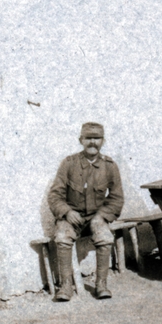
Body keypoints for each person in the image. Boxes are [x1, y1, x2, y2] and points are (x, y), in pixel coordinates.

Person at [45, 122, 124, 301]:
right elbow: (55, 195)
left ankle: (101, 284)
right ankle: (66, 285)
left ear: (103, 141)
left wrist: (102, 216)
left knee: (104, 236)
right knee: (63, 236)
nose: (92, 143)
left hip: (96, 218)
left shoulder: (110, 166)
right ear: (81, 140)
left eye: (96, 138)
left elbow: (117, 198)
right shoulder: (69, 164)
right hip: (72, 217)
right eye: (88, 138)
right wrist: (66, 212)